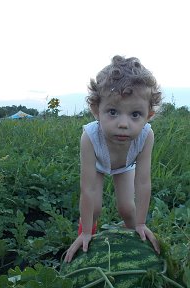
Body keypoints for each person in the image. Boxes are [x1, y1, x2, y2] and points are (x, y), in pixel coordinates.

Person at [64, 55, 161, 262]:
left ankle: (133, 241)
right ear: (96, 110)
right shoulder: (89, 137)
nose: (123, 124)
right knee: (95, 207)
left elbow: (143, 182)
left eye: (135, 114)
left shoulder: (146, 136)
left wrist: (142, 223)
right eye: (113, 112)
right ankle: (87, 236)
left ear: (149, 115)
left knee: (127, 208)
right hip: (99, 164)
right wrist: (86, 231)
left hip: (124, 166)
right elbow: (87, 188)